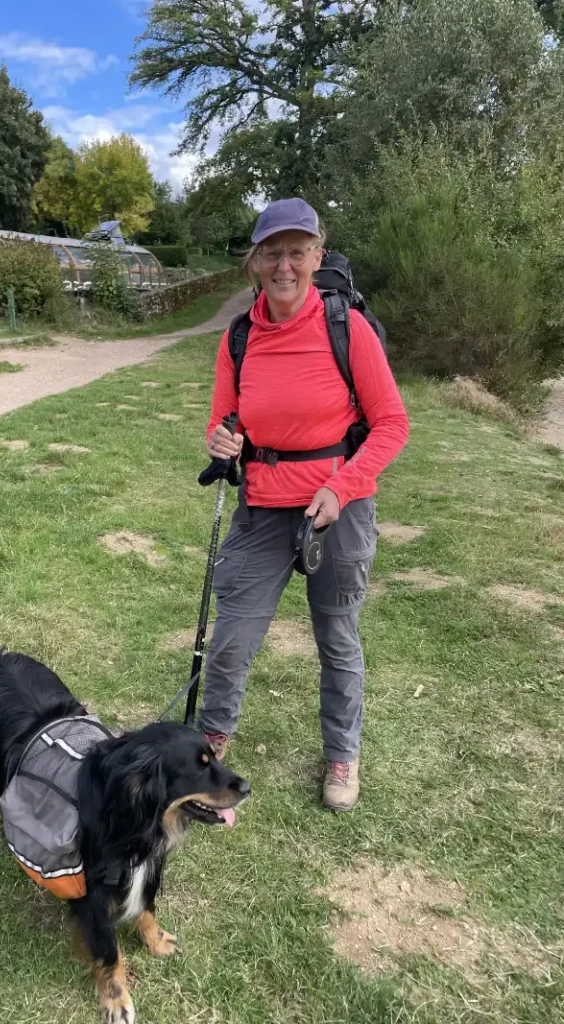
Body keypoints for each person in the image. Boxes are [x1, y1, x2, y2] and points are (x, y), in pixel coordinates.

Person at [200, 197, 409, 811]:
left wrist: (342, 486)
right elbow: (224, 419)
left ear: (317, 256)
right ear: (256, 262)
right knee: (232, 636)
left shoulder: (349, 329)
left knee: (337, 636)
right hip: (263, 506)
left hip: (337, 510)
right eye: (273, 252)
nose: (284, 265)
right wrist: (222, 440)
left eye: (298, 251)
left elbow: (392, 424)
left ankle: (342, 754)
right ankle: (209, 745)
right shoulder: (239, 337)